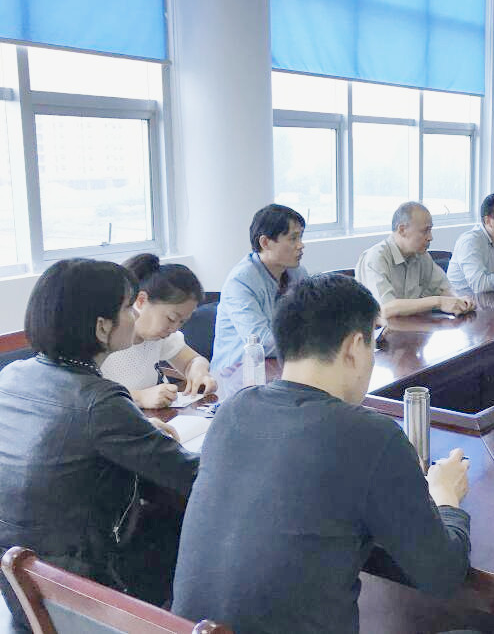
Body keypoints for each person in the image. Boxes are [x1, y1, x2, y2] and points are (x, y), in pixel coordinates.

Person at [172, 273, 471, 634]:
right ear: (354, 346)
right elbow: (442, 575)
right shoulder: (371, 435)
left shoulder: (233, 410)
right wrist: (446, 497)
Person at [0, 259, 199, 631]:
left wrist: (141, 430)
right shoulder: (99, 401)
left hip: (19, 582)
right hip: (78, 589)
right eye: (127, 308)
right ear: (102, 326)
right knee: (188, 529)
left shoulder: (11, 376)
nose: (134, 316)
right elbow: (194, 476)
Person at [101, 254, 218, 408]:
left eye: (182, 322)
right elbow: (86, 394)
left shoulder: (159, 337)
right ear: (141, 300)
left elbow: (193, 360)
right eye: (171, 318)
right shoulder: (105, 338)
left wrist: (199, 372)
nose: (174, 328)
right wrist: (139, 397)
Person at [211, 204, 308, 374]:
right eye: (293, 238)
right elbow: (261, 342)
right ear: (265, 242)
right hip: (236, 374)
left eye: (300, 237)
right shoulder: (240, 282)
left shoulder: (298, 273)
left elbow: (313, 320)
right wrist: (314, 341)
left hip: (281, 367)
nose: (301, 245)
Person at [356, 201, 475, 318]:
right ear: (402, 230)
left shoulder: (421, 255)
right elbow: (385, 309)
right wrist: (438, 302)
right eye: (425, 231)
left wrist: (458, 300)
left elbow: (443, 289)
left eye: (430, 230)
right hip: (379, 330)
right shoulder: (376, 258)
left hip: (413, 326)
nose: (430, 237)